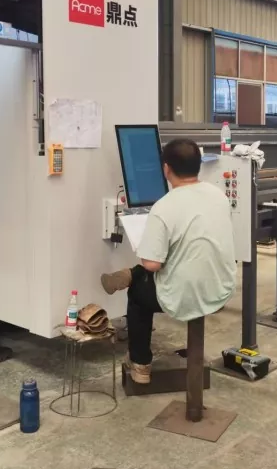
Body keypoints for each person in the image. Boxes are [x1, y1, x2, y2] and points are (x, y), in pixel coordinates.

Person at [100, 138, 237, 384]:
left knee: (138, 292)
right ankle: (130, 274)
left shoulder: (164, 207)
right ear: (198, 165)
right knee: (167, 262)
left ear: (166, 169)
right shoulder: (219, 195)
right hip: (220, 286)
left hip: (187, 293)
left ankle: (140, 364)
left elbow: (152, 264)